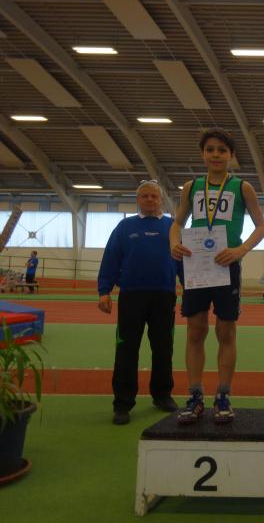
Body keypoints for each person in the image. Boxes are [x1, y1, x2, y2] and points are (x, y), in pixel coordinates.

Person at [170, 128, 264, 425]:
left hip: (226, 265)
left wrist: (241, 250)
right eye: (210, 149)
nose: (215, 155)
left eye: (222, 150)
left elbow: (261, 227)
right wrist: (173, 242)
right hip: (196, 265)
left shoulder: (242, 188)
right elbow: (177, 222)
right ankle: (195, 395)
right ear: (202, 153)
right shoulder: (191, 187)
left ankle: (223, 394)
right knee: (195, 330)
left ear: (231, 155)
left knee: (226, 331)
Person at [97, 181, 178, 425]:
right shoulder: (125, 227)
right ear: (138, 200)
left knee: (163, 348)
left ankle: (162, 395)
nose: (150, 200)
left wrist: (192, 290)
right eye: (145, 196)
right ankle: (122, 403)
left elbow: (185, 261)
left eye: (154, 196)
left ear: (161, 200)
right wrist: (104, 291)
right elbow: (111, 258)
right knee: (126, 349)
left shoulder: (173, 227)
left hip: (164, 296)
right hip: (131, 296)